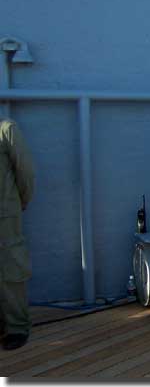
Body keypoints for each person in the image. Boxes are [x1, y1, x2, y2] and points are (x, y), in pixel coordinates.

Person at [0, 119, 35, 350]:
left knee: (10, 271)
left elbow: (26, 171)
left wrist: (18, 202)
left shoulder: (6, 130)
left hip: (4, 215)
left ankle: (17, 327)